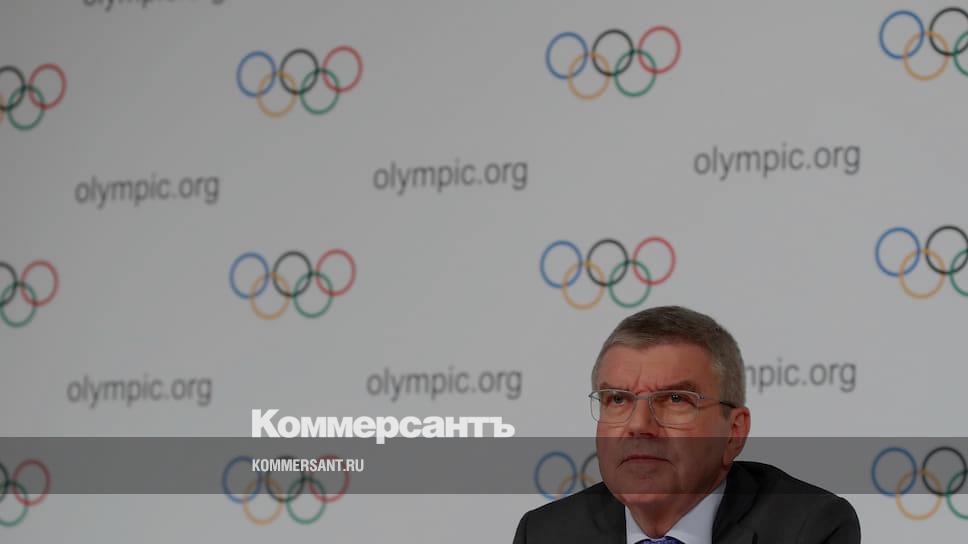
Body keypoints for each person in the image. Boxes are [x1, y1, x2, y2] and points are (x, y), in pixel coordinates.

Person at [513, 306, 860, 543]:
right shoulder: (545, 534)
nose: (639, 425)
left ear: (734, 433)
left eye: (676, 399)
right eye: (618, 399)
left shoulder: (808, 529)